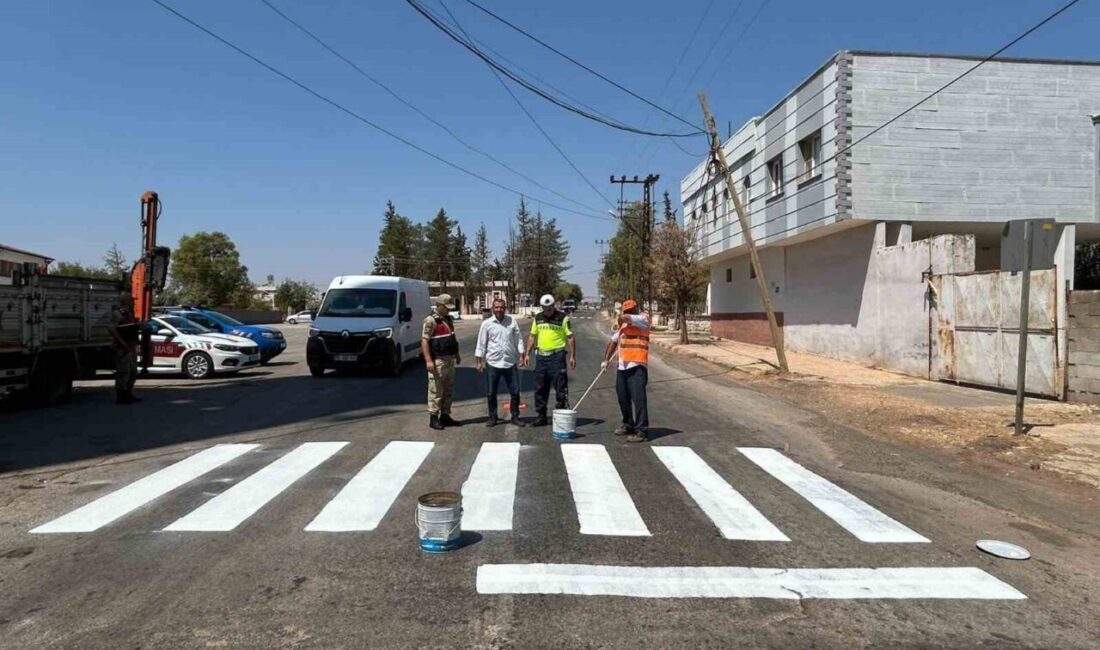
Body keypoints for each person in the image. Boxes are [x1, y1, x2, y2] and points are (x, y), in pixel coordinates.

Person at [602, 299, 651, 443]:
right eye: (627, 311)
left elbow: (626, 318)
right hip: (622, 367)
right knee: (622, 398)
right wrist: (605, 360)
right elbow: (613, 341)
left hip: (637, 366)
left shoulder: (643, 319)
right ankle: (628, 424)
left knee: (639, 400)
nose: (628, 313)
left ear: (636, 310)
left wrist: (620, 317)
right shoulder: (623, 326)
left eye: (631, 311)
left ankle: (642, 430)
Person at [474, 298, 528, 427]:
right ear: (493, 308)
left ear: (505, 308)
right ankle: (493, 417)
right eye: (497, 307)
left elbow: (518, 339)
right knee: (491, 392)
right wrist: (479, 361)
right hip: (493, 363)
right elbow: (481, 343)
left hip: (509, 363)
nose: (499, 310)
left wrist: (522, 354)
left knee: (515, 392)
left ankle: (515, 416)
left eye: (501, 307)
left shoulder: (511, 321)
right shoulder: (487, 324)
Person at [524, 294, 575, 427]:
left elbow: (570, 337)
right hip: (541, 357)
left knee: (560, 386)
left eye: (550, 308)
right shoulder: (538, 318)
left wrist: (572, 356)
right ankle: (541, 416)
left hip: (557, 357)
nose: (547, 311)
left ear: (554, 306)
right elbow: (532, 336)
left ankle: (561, 416)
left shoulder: (563, 318)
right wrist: (527, 354)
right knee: (540, 387)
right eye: (545, 309)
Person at [421, 294, 461, 430]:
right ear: (439, 306)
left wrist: (456, 354)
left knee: (448, 389)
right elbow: (425, 341)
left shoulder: (449, 319)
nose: (448, 310)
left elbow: (452, 337)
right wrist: (428, 360)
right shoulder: (430, 320)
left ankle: (445, 415)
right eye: (446, 307)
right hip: (438, 360)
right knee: (436, 390)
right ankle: (433, 418)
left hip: (449, 359)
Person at [109, 293, 140, 405]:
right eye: (132, 300)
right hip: (122, 348)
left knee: (133, 372)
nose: (133, 302)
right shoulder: (117, 314)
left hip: (130, 347)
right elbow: (112, 329)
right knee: (123, 372)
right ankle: (121, 396)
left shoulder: (129, 314)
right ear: (126, 301)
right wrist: (123, 343)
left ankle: (128, 393)